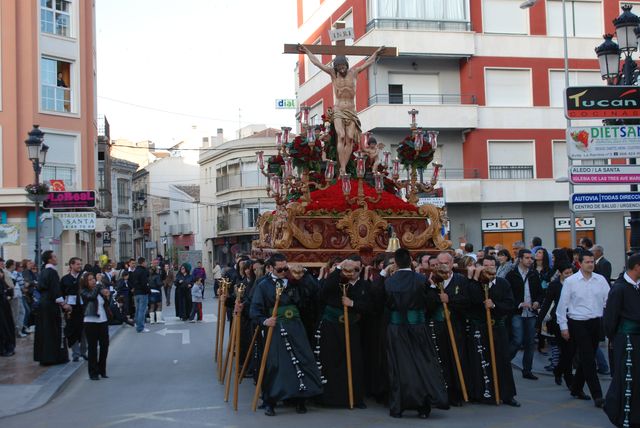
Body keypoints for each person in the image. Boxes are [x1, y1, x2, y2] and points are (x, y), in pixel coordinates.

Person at [249, 253, 323, 416]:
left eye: (285, 268)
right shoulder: (263, 285)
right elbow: (254, 310)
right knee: (275, 364)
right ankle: (270, 401)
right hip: (275, 328)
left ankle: (300, 399)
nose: (283, 271)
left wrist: (303, 276)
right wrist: (264, 321)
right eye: (280, 269)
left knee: (301, 360)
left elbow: (312, 295)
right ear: (271, 268)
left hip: (295, 327)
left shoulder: (294, 282)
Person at [298, 44, 384, 175]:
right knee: (342, 136)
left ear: (346, 65)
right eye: (338, 67)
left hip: (351, 110)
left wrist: (376, 52)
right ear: (335, 67)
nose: (341, 69)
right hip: (338, 109)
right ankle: (342, 169)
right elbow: (317, 63)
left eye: (343, 66)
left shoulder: (354, 72)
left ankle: (343, 166)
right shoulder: (333, 74)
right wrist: (307, 51)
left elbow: (368, 62)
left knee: (350, 138)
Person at [384, 248, 448, 418]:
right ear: (411, 260)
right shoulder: (420, 280)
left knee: (398, 367)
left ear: (396, 262)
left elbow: (384, 304)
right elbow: (430, 303)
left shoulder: (389, 282)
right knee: (422, 364)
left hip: (396, 329)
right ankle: (423, 407)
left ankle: (398, 407)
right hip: (418, 328)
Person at [556, 250, 609, 407]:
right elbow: (562, 306)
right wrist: (563, 327)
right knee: (588, 358)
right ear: (579, 263)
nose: (591, 264)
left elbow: (609, 300)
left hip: (596, 322)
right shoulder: (571, 281)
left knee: (589, 356)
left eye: (592, 262)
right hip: (577, 323)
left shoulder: (600, 280)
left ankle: (576, 388)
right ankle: (598, 396)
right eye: (587, 262)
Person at [317, 255, 370, 408]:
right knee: (332, 361)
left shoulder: (364, 285)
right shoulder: (335, 281)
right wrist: (338, 269)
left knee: (354, 362)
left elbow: (370, 306)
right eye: (347, 269)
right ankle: (331, 398)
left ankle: (355, 398)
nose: (350, 272)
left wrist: (352, 303)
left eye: (354, 269)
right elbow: (324, 292)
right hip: (332, 327)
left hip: (352, 327)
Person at [467, 256, 520, 406]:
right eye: (485, 265)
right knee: (480, 360)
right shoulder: (474, 283)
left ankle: (507, 395)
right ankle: (481, 394)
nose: (489, 268)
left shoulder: (503, 283)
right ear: (479, 266)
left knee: (502, 361)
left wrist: (494, 305)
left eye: (492, 265)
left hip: (498, 328)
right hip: (480, 328)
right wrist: (475, 281)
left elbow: (510, 304)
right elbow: (472, 302)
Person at [426, 251, 470, 407]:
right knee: (440, 359)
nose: (443, 265)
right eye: (440, 263)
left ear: (452, 264)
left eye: (447, 262)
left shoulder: (461, 281)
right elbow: (427, 304)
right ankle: (441, 392)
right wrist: (432, 289)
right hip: (437, 327)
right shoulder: (431, 281)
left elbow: (467, 300)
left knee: (456, 359)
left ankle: (457, 392)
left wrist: (450, 299)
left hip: (455, 326)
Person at [603, 253, 640, 428]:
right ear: (637, 267)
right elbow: (610, 319)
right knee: (627, 379)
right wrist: (614, 339)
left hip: (636, 341)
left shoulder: (636, 287)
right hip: (626, 342)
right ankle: (621, 414)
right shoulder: (619, 289)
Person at [506, 249, 543, 380]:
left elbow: (539, 292)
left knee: (530, 342)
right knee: (517, 340)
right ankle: (504, 363)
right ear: (520, 259)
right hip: (517, 312)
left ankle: (527, 370)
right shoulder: (511, 275)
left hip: (531, 313)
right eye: (527, 258)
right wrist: (520, 304)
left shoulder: (534, 274)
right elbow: (507, 295)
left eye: (531, 258)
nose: (530, 260)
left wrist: (537, 302)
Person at [537, 262, 575, 388]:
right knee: (565, 350)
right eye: (566, 273)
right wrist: (539, 321)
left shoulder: (577, 284)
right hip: (558, 321)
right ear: (560, 273)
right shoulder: (555, 285)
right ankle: (569, 380)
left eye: (571, 272)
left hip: (574, 320)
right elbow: (547, 303)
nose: (569, 275)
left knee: (570, 352)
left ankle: (558, 370)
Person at [34, 251, 70, 365]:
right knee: (53, 330)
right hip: (51, 304)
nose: (56, 258)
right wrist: (63, 303)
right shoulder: (52, 272)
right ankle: (54, 357)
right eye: (54, 256)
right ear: (49, 260)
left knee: (44, 330)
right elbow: (55, 290)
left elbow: (40, 288)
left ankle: (44, 357)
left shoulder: (43, 272)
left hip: (43, 304)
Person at [80, 273, 111, 380]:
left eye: (93, 279)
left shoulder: (99, 290)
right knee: (93, 348)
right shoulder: (84, 291)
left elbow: (105, 304)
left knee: (104, 346)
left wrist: (107, 295)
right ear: (85, 282)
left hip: (103, 320)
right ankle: (93, 372)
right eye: (90, 280)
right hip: (90, 321)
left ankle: (102, 370)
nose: (93, 281)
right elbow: (91, 297)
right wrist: (98, 286)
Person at [61, 257, 86, 362]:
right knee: (71, 330)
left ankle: (84, 351)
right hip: (71, 308)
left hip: (82, 306)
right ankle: (75, 353)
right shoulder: (65, 279)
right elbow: (61, 293)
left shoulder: (83, 277)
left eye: (80, 264)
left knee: (84, 329)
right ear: (71, 265)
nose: (79, 266)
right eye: (77, 264)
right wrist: (64, 304)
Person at [129, 257, 150, 333]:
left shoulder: (135, 271)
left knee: (137, 310)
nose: (146, 264)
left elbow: (132, 282)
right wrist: (148, 291)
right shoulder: (143, 271)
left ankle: (138, 325)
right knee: (142, 311)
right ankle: (140, 327)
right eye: (146, 262)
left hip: (136, 293)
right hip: (142, 293)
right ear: (143, 262)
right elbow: (144, 283)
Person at [0, 269, 16, 356]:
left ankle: (8, 347)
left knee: (7, 327)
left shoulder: (2, 282)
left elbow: (10, 290)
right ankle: (4, 349)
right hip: (2, 308)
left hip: (5, 308)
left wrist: (7, 293)